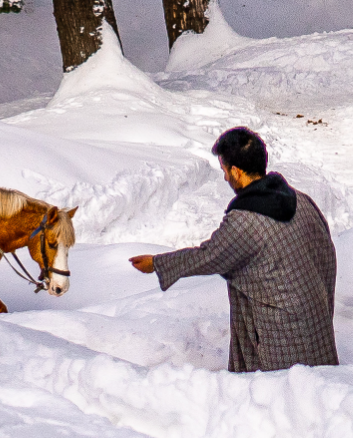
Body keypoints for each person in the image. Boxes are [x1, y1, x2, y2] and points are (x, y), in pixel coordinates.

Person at [130, 128, 337, 373]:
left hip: (283, 340)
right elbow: (327, 255)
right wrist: (322, 306)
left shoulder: (246, 220)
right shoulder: (300, 200)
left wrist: (156, 263)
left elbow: (209, 256)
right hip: (317, 328)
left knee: (280, 399)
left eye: (225, 170)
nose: (226, 178)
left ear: (236, 172)